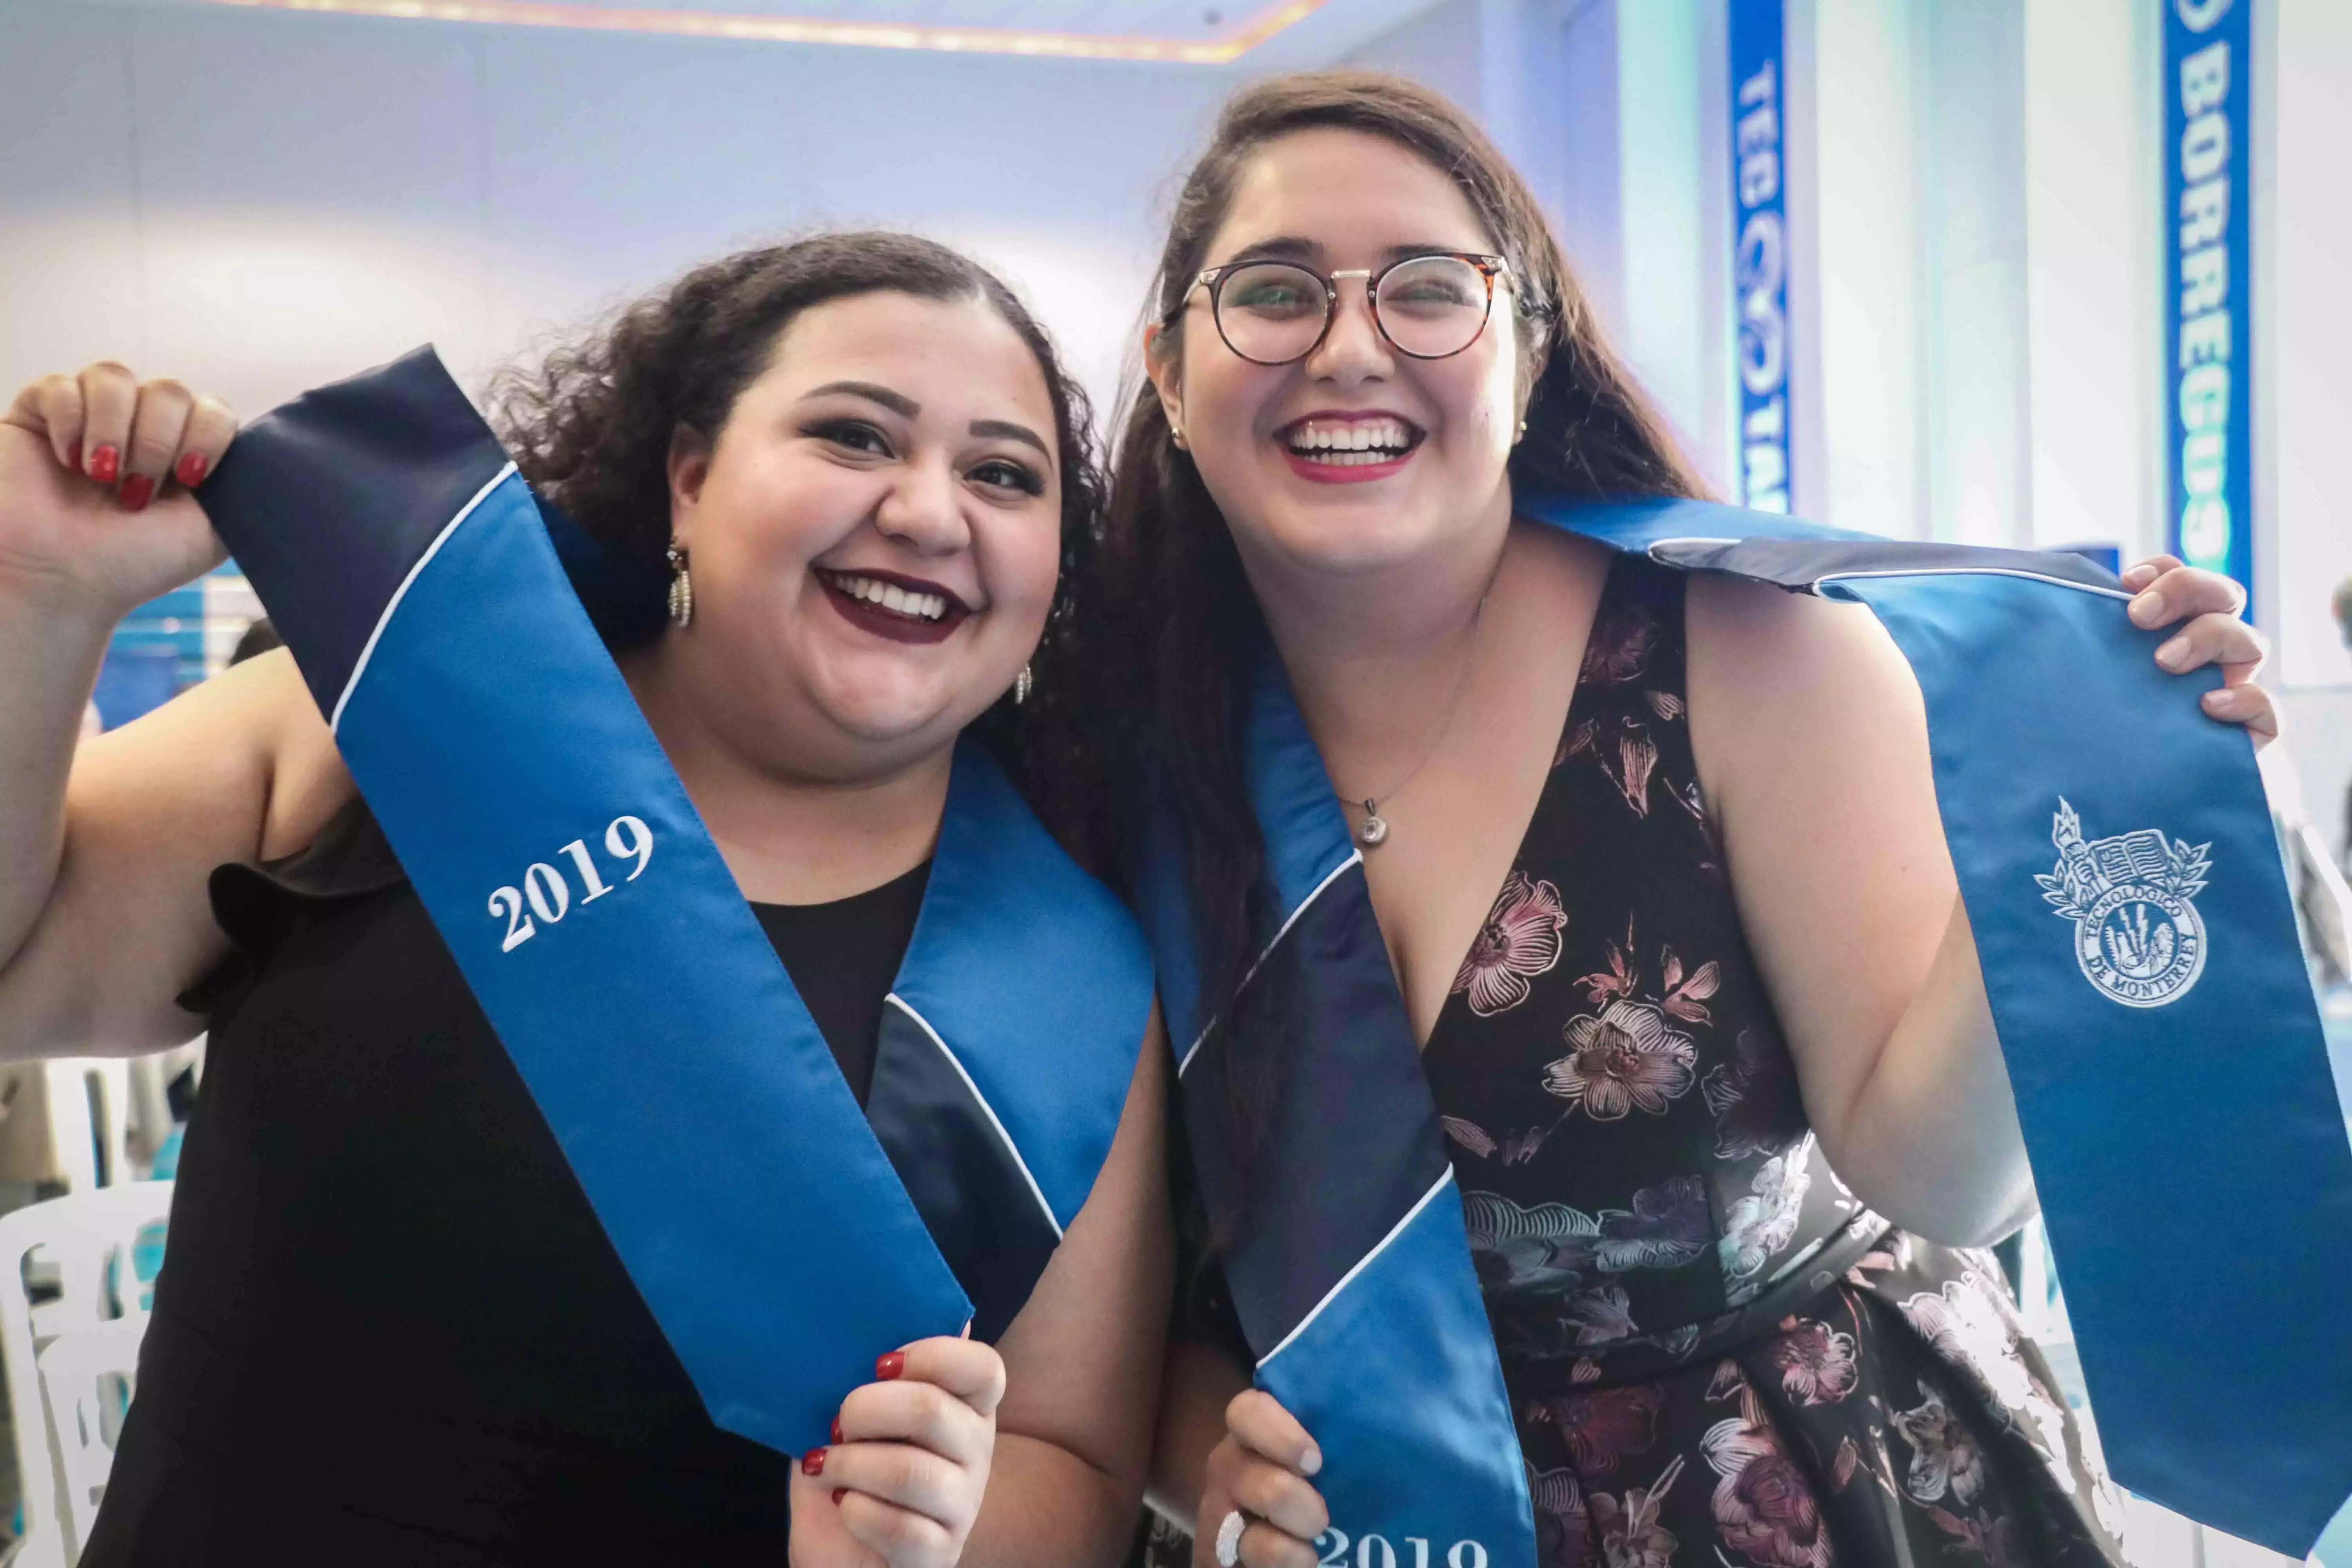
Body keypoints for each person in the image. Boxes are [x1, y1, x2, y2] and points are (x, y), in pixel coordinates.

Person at [1094, 73, 2278, 1568]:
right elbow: (1101, 1286)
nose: (1349, 349)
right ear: (1170, 365)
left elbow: (1946, 1179)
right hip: (1360, 1526)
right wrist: (1211, 1458)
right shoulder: (1100, 741)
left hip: (1792, 1489)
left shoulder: (1739, 650)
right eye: (1272, 293)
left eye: (1430, 292)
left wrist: (2076, 837)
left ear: (1526, 359)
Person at [0, 233, 1170, 1566]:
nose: (927, 512)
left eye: (1004, 475)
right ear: (688, 477)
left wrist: (929, 1542)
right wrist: (37, 605)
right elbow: (17, 979)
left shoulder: (1071, 979)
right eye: (854, 438)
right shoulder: (386, 720)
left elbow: (1071, 1462)